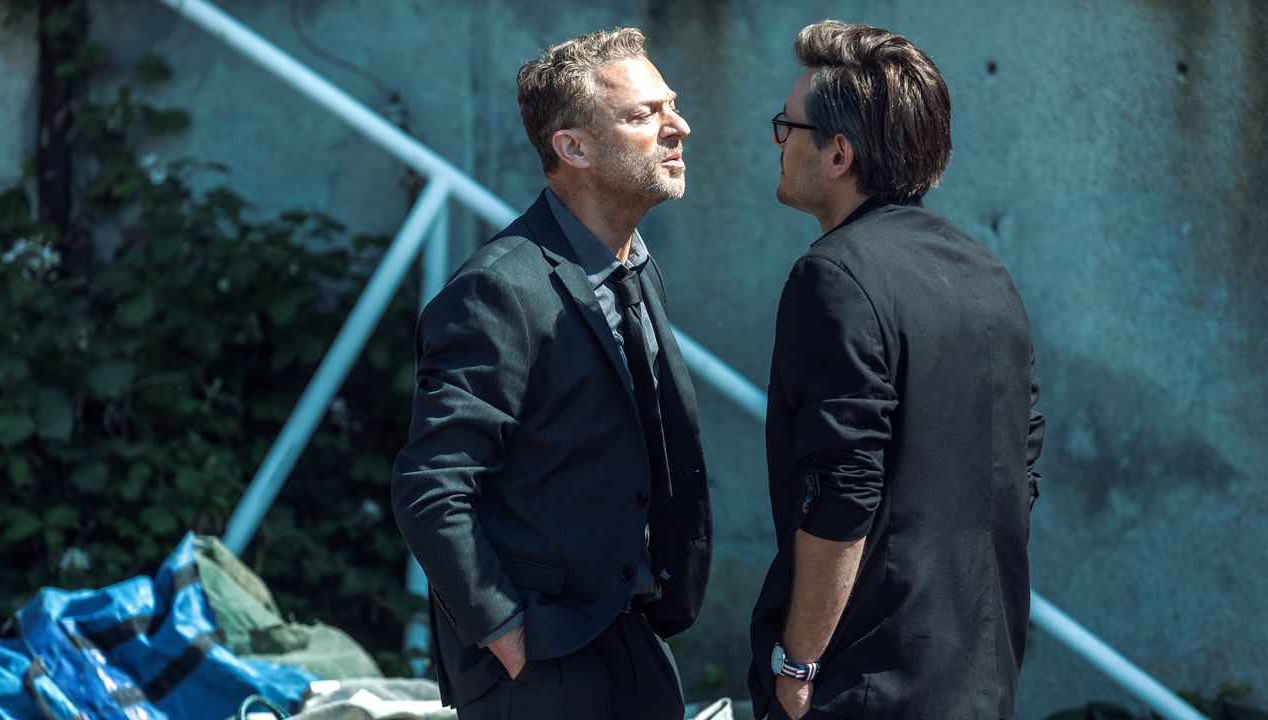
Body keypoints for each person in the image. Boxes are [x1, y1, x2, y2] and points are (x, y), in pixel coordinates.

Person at [391, 27, 711, 720]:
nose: (677, 127)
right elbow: (431, 487)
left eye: (672, 106)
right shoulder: (498, 289)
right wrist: (507, 633)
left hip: (629, 638)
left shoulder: (633, 267)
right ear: (574, 148)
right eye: (643, 114)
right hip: (542, 661)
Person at [747, 20, 1046, 720]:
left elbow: (843, 489)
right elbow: (1020, 467)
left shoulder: (833, 277)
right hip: (978, 677)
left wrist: (798, 662)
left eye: (787, 127)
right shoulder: (985, 273)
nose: (777, 142)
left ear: (839, 153)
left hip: (863, 684)